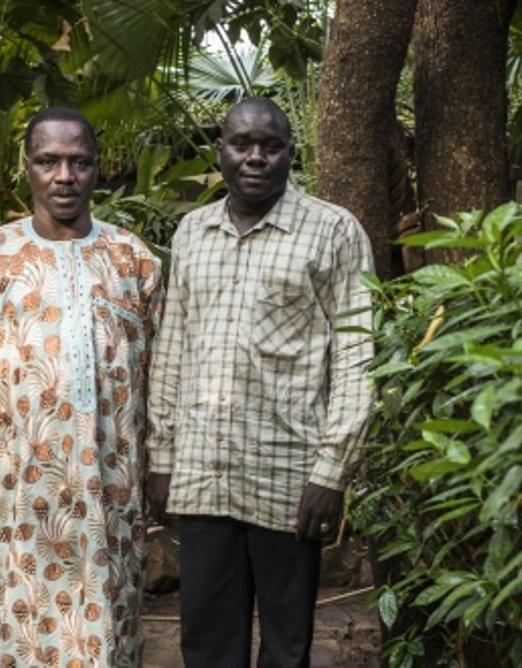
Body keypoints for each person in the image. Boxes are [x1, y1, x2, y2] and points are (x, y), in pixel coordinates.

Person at [146, 97, 376, 667]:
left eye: (270, 146)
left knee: (286, 646)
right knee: (205, 644)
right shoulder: (192, 232)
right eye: (241, 144)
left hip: (289, 476)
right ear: (219, 151)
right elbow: (174, 346)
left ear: (289, 154)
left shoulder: (333, 231)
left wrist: (332, 470)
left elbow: (356, 353)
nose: (255, 158)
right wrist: (162, 455)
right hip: (203, 472)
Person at [0, 107, 163, 667]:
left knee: (109, 622)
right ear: (27, 169)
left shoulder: (134, 260)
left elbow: (163, 373)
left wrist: (164, 463)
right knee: (21, 627)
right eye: (49, 161)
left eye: (79, 162)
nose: (65, 176)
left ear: (97, 169)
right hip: (19, 493)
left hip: (112, 488)